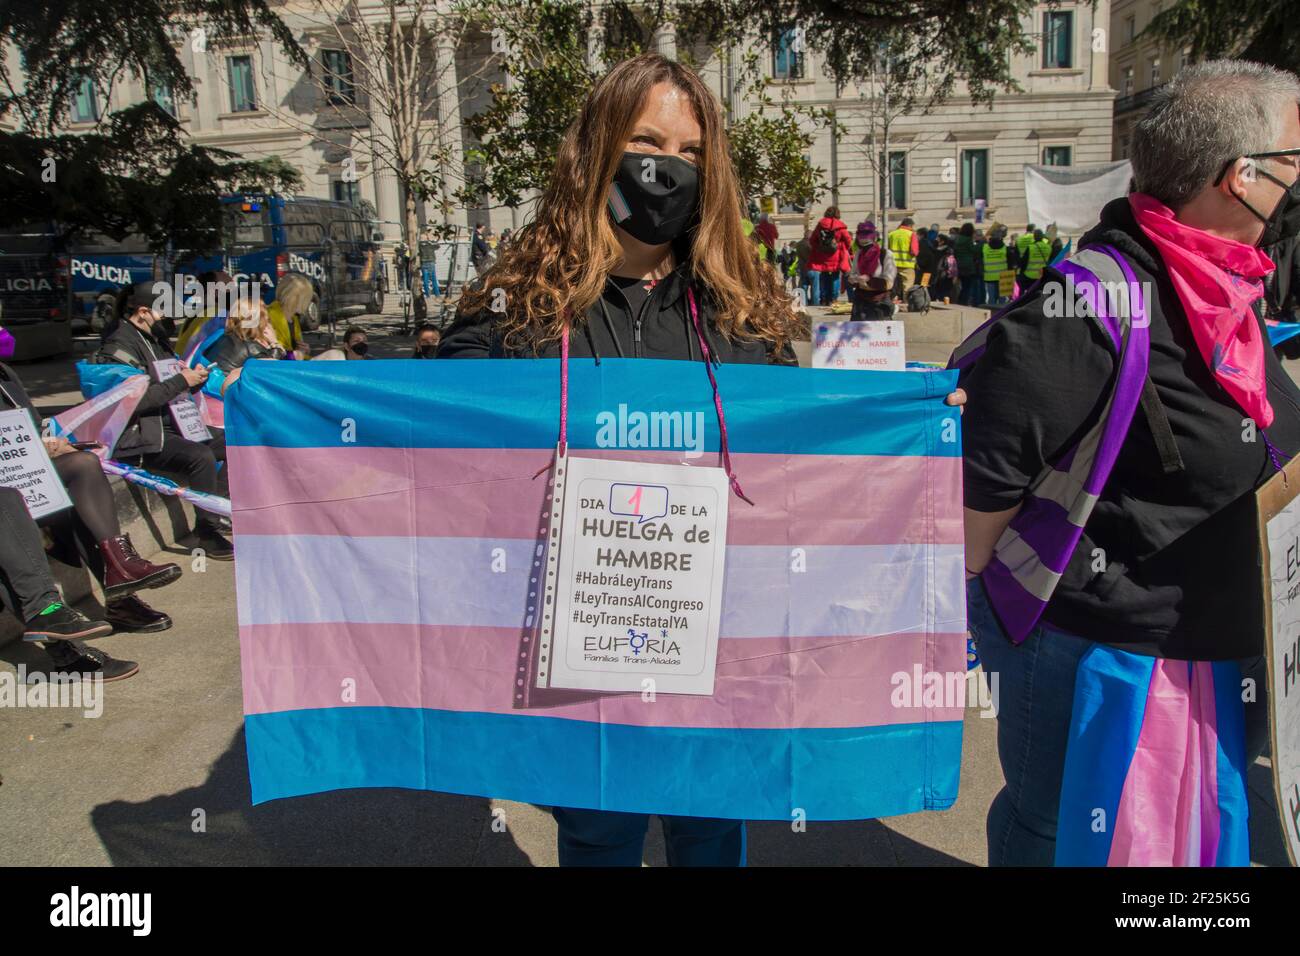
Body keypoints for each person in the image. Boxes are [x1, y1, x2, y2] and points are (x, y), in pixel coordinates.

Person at [957, 60, 1300, 865]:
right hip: (1099, 657)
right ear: (1238, 178)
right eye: (1293, 161)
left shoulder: (1234, 289)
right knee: (1052, 828)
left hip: (1227, 649)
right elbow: (978, 513)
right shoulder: (1085, 308)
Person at [1, 359, 181, 632]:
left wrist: (52, 444)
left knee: (83, 465)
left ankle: (121, 568)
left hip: (25, 476)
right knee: (58, 507)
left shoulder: (4, 374)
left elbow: (33, 428)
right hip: (7, 492)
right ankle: (106, 606)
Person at [93, 283, 233, 561]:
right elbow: (133, 401)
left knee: (234, 441)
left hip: (174, 424)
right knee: (201, 457)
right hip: (141, 434)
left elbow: (172, 386)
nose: (170, 321)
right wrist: (181, 381)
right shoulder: (118, 347)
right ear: (143, 311)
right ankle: (207, 531)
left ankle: (225, 509)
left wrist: (193, 380)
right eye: (164, 313)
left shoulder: (157, 340)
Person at [847, 221, 896, 320]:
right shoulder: (859, 254)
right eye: (861, 235)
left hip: (879, 302)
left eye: (867, 235)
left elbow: (889, 282)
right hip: (861, 301)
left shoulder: (885, 254)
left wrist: (869, 280)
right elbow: (853, 274)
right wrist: (854, 280)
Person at [807, 206, 851, 305]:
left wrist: (819, 247)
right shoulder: (840, 226)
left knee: (824, 276)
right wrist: (842, 246)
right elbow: (848, 240)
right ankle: (834, 299)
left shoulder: (820, 225)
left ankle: (824, 298)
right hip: (836, 255)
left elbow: (812, 240)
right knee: (835, 276)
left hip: (822, 256)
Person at [267, 273, 312, 358]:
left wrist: (305, 351)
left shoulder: (293, 318)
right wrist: (299, 354)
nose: (308, 302)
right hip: (282, 366)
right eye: (307, 298)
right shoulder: (271, 315)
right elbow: (275, 352)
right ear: (295, 298)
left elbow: (298, 351)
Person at [887, 217, 919, 297]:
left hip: (892, 265)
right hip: (907, 265)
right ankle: (907, 303)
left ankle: (890, 302)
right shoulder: (911, 234)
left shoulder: (891, 234)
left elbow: (886, 249)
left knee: (890, 285)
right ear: (911, 225)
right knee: (907, 287)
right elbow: (914, 251)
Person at [981, 226, 1012, 307]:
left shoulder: (984, 248)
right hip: (1004, 276)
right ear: (1001, 238)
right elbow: (1010, 262)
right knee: (1002, 299)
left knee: (991, 298)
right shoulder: (1005, 248)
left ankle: (992, 316)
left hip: (989, 276)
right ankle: (1001, 316)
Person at [954, 223, 980, 306]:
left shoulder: (958, 239)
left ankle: (960, 301)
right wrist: (980, 243)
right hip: (968, 265)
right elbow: (974, 250)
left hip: (959, 264)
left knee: (963, 285)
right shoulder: (968, 240)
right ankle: (964, 302)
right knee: (967, 286)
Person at [419, 229, 441, 299]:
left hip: (424, 262)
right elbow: (437, 246)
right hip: (431, 262)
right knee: (433, 279)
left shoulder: (420, 245)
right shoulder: (430, 244)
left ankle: (427, 294)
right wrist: (429, 238)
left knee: (425, 279)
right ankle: (437, 294)